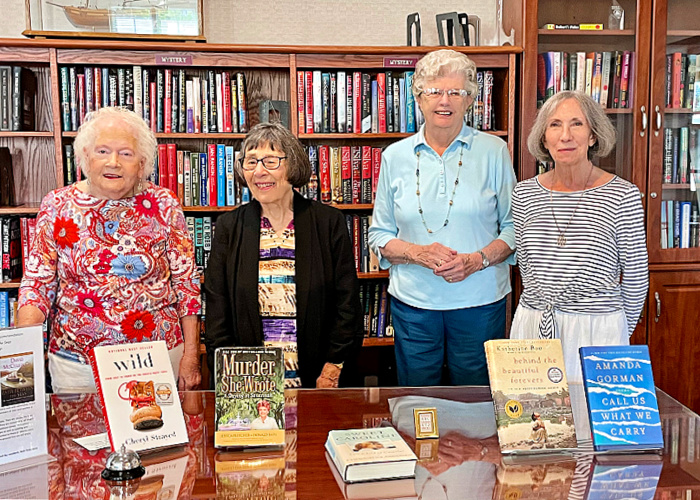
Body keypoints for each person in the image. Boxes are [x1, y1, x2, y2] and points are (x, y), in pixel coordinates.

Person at [16, 107, 202, 393]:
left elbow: (187, 286)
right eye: (102, 151)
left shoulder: (164, 204)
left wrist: (190, 357)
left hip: (156, 360)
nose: (113, 162)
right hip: (77, 364)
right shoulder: (57, 205)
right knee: (78, 439)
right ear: (84, 157)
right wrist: (20, 351)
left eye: (126, 153)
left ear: (142, 163)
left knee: (155, 435)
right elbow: (37, 284)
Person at [368, 49, 517, 386]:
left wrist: (477, 260)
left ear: (470, 100)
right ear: (419, 98)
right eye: (435, 91)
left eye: (456, 92)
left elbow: (513, 229)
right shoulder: (395, 156)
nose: (444, 100)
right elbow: (378, 235)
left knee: (477, 402)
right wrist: (417, 253)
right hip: (414, 307)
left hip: (480, 304)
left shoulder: (494, 151)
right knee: (419, 403)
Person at [204, 122, 362, 389]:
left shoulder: (328, 223)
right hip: (249, 384)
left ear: (293, 166)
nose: (259, 171)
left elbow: (347, 303)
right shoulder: (229, 227)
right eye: (251, 162)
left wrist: (333, 367)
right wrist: (232, 375)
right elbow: (217, 308)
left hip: (319, 379)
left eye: (271, 161)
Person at [511, 90, 648, 383]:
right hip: (533, 326)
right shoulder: (524, 195)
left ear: (593, 136)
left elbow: (636, 278)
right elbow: (527, 270)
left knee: (593, 424)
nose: (565, 135)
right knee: (532, 424)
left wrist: (616, 331)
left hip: (599, 331)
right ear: (544, 138)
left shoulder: (622, 196)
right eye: (555, 125)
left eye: (577, 124)